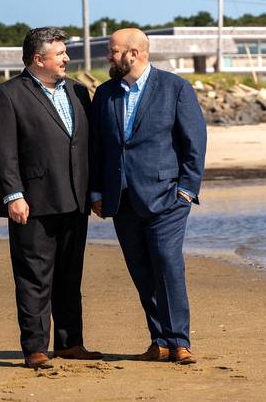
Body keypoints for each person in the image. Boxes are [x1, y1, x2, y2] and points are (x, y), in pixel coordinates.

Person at [0, 27, 102, 369]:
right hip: (32, 203)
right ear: (39, 59)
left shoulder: (79, 92)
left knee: (70, 276)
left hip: (76, 201)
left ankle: (70, 343)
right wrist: (13, 196)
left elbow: (86, 147)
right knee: (35, 277)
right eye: (61, 53)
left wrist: (94, 192)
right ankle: (35, 347)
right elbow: (2, 152)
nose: (67, 58)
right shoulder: (7, 94)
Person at [90, 28, 207, 365]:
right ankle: (159, 340)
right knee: (142, 271)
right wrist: (97, 191)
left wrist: (186, 190)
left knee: (168, 265)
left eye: (113, 51)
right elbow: (99, 148)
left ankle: (179, 341)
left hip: (166, 197)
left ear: (135, 53)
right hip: (121, 199)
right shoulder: (105, 94)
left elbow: (194, 143)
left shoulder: (175, 88)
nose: (108, 57)